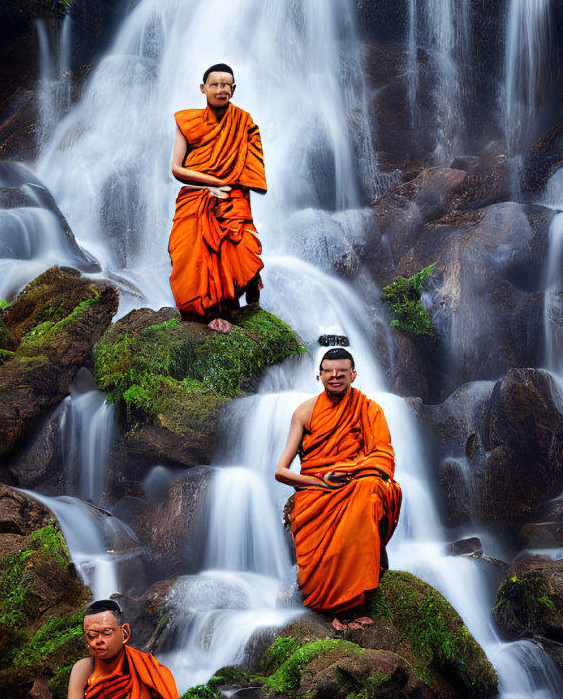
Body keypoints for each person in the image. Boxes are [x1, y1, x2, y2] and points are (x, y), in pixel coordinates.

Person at [274, 348, 402, 630]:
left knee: (373, 489)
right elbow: (281, 471)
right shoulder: (304, 412)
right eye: (328, 372)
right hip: (316, 491)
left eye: (341, 373)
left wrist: (348, 472)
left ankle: (353, 603)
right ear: (319, 375)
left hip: (354, 483)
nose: (334, 377)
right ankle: (331, 606)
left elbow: (383, 457)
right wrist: (321, 482)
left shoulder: (370, 410)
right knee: (358, 494)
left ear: (353, 375)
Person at [168, 63, 267, 334]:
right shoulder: (188, 122)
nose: (221, 89)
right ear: (203, 89)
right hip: (196, 194)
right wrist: (212, 184)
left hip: (233, 198)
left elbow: (248, 172)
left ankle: (237, 308)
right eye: (215, 84)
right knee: (192, 253)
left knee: (244, 247)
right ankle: (205, 313)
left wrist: (231, 194)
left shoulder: (244, 122)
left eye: (226, 85)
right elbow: (176, 169)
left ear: (233, 90)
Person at [68, 599, 179, 699]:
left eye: (106, 633)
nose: (99, 640)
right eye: (92, 635)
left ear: (124, 633)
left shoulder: (149, 669)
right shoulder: (84, 669)